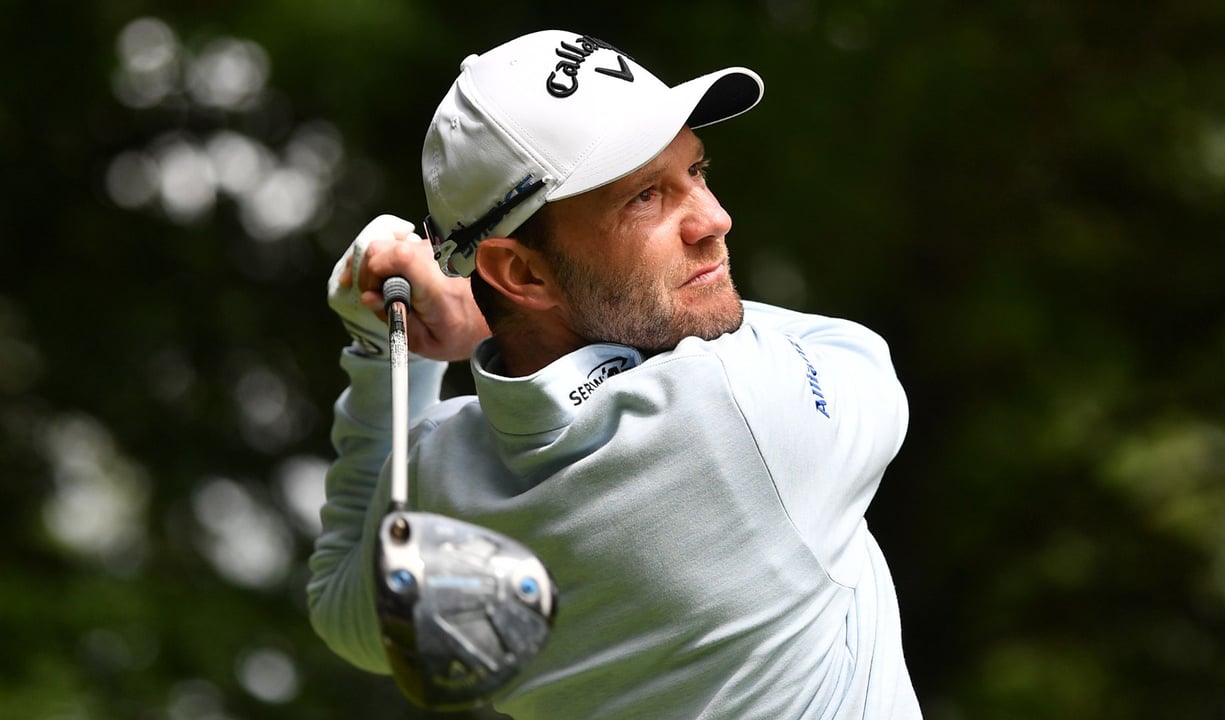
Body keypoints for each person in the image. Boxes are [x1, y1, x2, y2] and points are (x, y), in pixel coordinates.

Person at [307, 29, 921, 719]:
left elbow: (338, 605)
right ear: (522, 273)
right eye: (646, 197)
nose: (714, 219)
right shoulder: (739, 413)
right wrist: (471, 321)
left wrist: (387, 350)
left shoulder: (438, 485)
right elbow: (860, 354)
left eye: (697, 170)